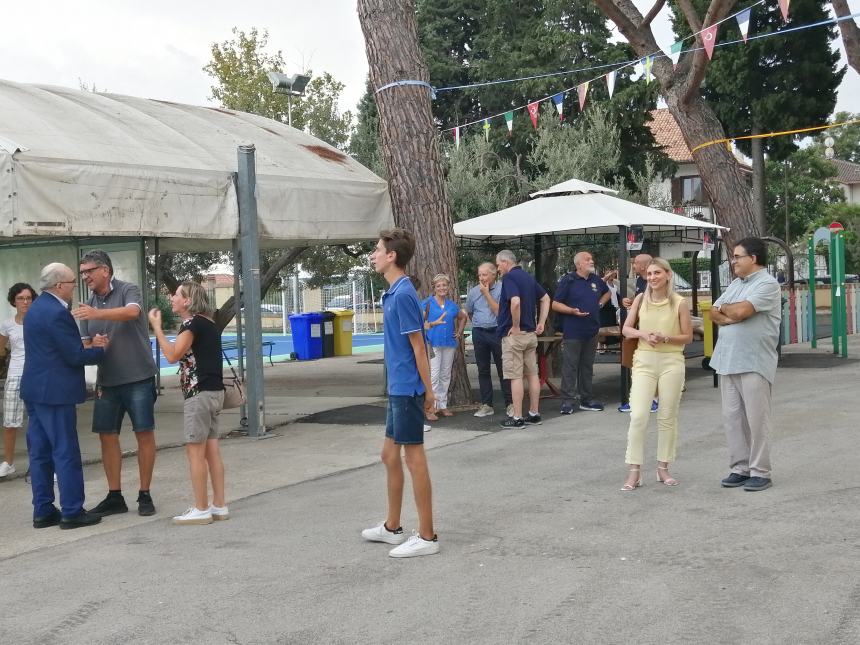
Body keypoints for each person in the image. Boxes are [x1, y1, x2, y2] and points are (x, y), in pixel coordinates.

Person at [362, 228, 439, 558]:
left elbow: (419, 347)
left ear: (392, 256)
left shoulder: (405, 294)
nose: (373, 254)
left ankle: (427, 536)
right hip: (398, 388)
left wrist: (429, 392)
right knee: (389, 456)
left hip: (408, 388)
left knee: (413, 458)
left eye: (378, 250)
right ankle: (393, 527)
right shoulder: (394, 293)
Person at [73, 250, 159, 517]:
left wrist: (98, 313)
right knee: (106, 436)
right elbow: (86, 344)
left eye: (88, 271)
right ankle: (115, 496)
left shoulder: (127, 290)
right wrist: (93, 345)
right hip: (107, 382)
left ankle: (144, 494)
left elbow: (133, 313)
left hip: (138, 378)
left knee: (143, 433)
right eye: (82, 271)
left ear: (105, 271)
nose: (84, 276)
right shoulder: (87, 307)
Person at [21, 263, 107, 529]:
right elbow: (74, 356)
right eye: (72, 282)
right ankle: (71, 510)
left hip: (34, 390)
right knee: (65, 451)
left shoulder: (34, 309)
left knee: (40, 453)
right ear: (59, 285)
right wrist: (100, 349)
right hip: (56, 393)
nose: (75, 286)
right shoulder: (58, 312)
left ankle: (43, 510)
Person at [149, 282, 229, 524]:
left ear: (187, 301)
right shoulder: (209, 323)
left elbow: (173, 355)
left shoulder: (192, 324)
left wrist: (157, 329)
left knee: (194, 452)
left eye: (176, 295)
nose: (172, 298)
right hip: (215, 392)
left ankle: (201, 508)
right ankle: (219, 505)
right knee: (212, 451)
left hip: (199, 395)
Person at [709, 237, 782, 492]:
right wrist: (730, 311)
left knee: (756, 418)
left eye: (738, 256)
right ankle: (739, 468)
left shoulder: (768, 284)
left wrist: (729, 311)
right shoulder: (737, 284)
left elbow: (740, 312)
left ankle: (760, 471)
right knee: (732, 418)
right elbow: (713, 312)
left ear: (753, 258)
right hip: (728, 359)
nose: (733, 261)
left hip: (753, 361)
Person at [620, 258, 693, 492]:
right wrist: (643, 334)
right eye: (649, 274)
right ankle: (634, 471)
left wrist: (666, 338)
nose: (652, 277)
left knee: (667, 416)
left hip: (672, 360)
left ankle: (663, 468)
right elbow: (626, 329)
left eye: (657, 273)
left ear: (668, 275)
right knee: (639, 415)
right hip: (644, 361)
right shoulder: (640, 299)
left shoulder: (679, 302)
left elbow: (688, 337)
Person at [495, 250, 550, 429]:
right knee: (532, 374)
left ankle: (517, 417)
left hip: (514, 335)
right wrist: (541, 322)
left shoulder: (510, 278)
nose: (498, 269)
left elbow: (515, 301)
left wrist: (516, 325)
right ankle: (534, 413)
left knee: (515, 376)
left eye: (498, 265)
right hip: (530, 334)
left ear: (505, 262)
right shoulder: (528, 277)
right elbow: (546, 298)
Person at [552, 251, 610, 414]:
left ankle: (586, 399)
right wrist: (571, 311)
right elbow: (555, 304)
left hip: (591, 330)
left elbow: (608, 292)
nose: (592, 261)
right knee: (570, 367)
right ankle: (567, 401)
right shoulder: (568, 280)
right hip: (573, 331)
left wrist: (600, 304)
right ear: (578, 264)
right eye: (587, 259)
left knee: (587, 367)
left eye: (592, 258)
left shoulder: (596, 280)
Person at [465, 262, 513, 418]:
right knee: (483, 369)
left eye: (484, 274)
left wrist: (486, 293)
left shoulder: (502, 289)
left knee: (503, 368)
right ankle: (487, 404)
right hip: (479, 332)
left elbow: (499, 311)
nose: (481, 277)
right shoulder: (473, 292)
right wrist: (480, 324)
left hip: (497, 331)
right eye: (479, 275)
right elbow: (470, 312)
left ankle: (510, 403)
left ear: (494, 274)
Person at [0, 283, 37, 477]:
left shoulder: (39, 321)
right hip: (15, 375)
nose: (25, 302)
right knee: (9, 422)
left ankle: (39, 464)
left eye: (28, 298)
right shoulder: (7, 324)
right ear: (13, 301)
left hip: (36, 375)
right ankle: (8, 462)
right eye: (21, 298)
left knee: (37, 423)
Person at [421, 274, 467, 420]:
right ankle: (431, 407)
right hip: (433, 344)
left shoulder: (452, 305)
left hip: (449, 344)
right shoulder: (426, 303)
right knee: (434, 375)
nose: (442, 288)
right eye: (439, 285)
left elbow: (463, 316)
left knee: (445, 375)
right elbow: (419, 323)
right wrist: (430, 326)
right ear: (434, 287)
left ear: (448, 287)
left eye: (444, 285)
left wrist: (459, 332)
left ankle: (442, 405)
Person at [619, 253, 657, 414]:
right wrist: (629, 302)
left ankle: (654, 400)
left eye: (635, 263)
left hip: (653, 328)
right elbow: (639, 300)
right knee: (638, 364)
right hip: (638, 328)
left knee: (651, 364)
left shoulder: (654, 281)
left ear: (642, 265)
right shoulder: (640, 281)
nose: (633, 266)